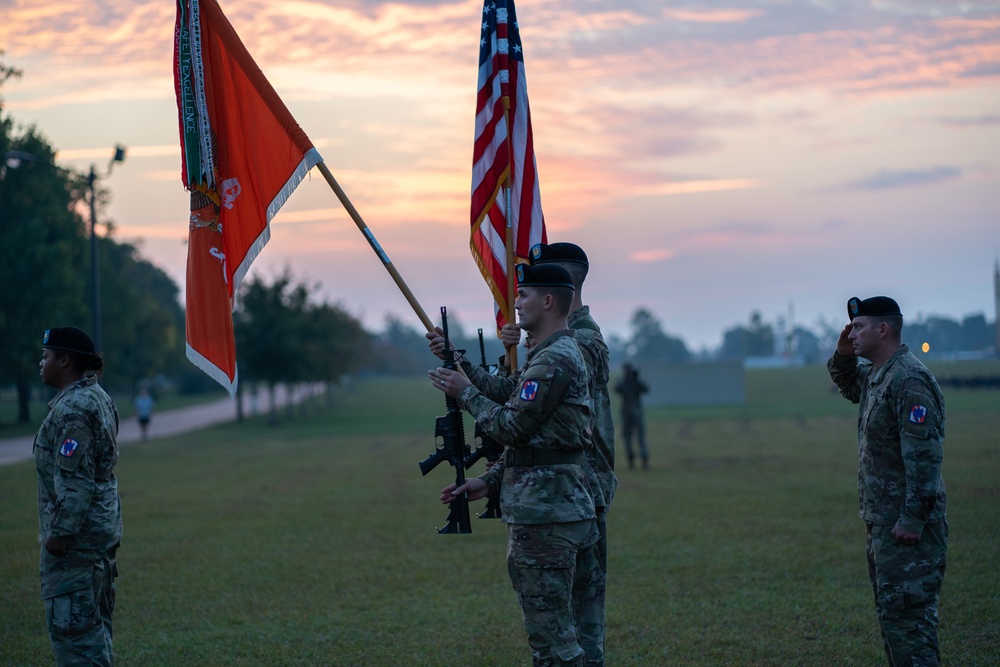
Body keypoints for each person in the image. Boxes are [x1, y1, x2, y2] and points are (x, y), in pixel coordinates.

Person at [430, 264, 600, 667]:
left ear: (548, 301)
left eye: (523, 295)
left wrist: (466, 393)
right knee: (564, 636)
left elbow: (512, 425)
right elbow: (519, 409)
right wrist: (489, 483)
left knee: (553, 646)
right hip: (555, 508)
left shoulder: (555, 358)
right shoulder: (547, 355)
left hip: (547, 516)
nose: (516, 303)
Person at [827, 296, 947, 667]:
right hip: (885, 524)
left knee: (911, 627)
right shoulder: (881, 374)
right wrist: (844, 352)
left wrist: (912, 519)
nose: (853, 332)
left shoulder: (908, 380)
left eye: (859, 326)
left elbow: (924, 459)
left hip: (906, 527)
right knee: (894, 622)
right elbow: (848, 384)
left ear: (883, 329)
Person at [34, 326, 122, 667]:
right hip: (98, 539)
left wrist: (58, 537)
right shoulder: (98, 398)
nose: (40, 363)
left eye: (46, 356)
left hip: (76, 547)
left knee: (78, 647)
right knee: (95, 637)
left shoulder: (74, 409)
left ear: (65, 360)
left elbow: (75, 483)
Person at [614, 363, 649, 469]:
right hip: (631, 412)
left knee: (636, 437)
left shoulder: (632, 382)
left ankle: (641, 459)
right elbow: (617, 389)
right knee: (632, 437)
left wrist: (633, 379)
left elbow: (645, 389)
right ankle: (634, 459)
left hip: (631, 412)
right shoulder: (626, 382)